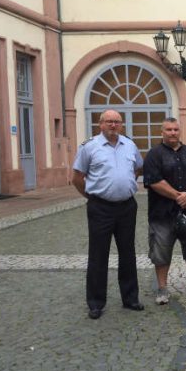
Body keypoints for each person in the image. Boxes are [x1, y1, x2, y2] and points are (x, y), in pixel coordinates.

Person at [71, 109, 144, 320]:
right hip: (100, 208)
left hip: (127, 206)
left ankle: (130, 298)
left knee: (128, 253)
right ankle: (95, 303)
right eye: (109, 121)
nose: (113, 125)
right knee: (98, 255)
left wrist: (123, 185)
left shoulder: (129, 145)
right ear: (100, 124)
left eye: (117, 122)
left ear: (121, 125)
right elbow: (77, 177)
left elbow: (137, 168)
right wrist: (93, 196)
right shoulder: (89, 147)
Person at [143, 117, 186, 306]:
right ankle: (162, 288)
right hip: (162, 214)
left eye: (175, 129)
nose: (173, 133)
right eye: (169, 130)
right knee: (161, 251)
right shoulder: (154, 154)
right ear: (161, 132)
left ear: (179, 131)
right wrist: (178, 196)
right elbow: (153, 180)